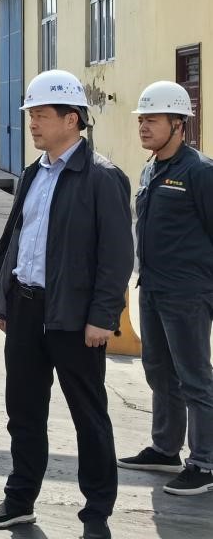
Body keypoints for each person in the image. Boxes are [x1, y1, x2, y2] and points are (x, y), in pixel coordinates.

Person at [0, 70, 133, 539]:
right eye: (31, 115)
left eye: (41, 115)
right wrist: (5, 300)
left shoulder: (102, 177)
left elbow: (116, 257)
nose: (33, 123)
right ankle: (19, 500)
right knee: (23, 411)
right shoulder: (33, 173)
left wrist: (102, 317)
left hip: (75, 319)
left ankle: (96, 515)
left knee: (89, 416)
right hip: (26, 308)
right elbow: (18, 240)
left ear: (72, 119)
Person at [117, 81, 213, 496]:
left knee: (195, 378)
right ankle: (165, 448)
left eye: (152, 120)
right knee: (158, 370)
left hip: (189, 294)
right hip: (153, 288)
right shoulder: (151, 168)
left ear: (178, 124)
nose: (143, 127)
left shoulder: (200, 172)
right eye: (141, 120)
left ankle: (205, 462)